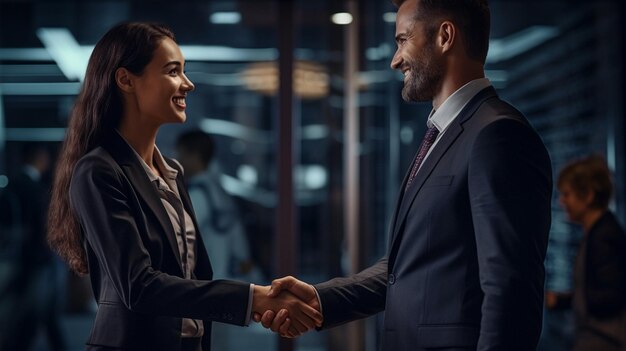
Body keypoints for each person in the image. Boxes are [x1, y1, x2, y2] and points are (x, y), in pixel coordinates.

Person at [258, 0, 553, 350]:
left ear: (445, 36)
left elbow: (512, 290)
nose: (395, 60)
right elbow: (408, 268)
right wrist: (320, 300)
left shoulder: (498, 135)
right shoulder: (445, 134)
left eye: (402, 40)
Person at [46, 22, 321, 351]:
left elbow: (189, 275)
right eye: (173, 71)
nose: (188, 84)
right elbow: (139, 286)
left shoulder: (172, 173)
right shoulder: (98, 171)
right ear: (125, 80)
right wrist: (253, 299)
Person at [0, 144, 66, 351]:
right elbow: (43, 227)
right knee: (36, 311)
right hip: (36, 259)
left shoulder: (12, 186)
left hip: (14, 257)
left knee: (33, 311)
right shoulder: (36, 189)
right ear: (38, 157)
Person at [557, 155, 626, 351]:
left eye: (567, 194)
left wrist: (574, 299)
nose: (562, 201)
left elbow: (612, 295)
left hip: (603, 339)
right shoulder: (598, 232)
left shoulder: (603, 236)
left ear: (587, 195)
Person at [176, 130, 259, 282]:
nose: (177, 160)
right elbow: (240, 247)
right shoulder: (221, 192)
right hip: (229, 282)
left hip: (207, 284)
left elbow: (179, 239)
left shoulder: (198, 196)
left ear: (194, 156)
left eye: (181, 154)